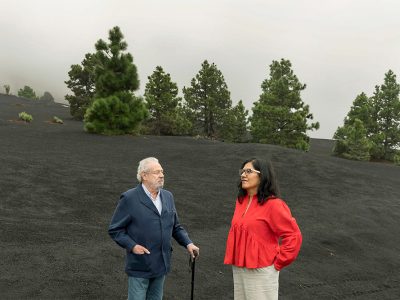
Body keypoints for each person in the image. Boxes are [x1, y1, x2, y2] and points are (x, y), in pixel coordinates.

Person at [108, 157, 199, 300]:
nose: (162, 175)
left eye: (162, 171)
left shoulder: (168, 196)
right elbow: (115, 229)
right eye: (156, 172)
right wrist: (132, 246)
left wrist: (188, 243)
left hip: (161, 263)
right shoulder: (129, 198)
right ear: (144, 175)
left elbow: (176, 227)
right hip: (140, 264)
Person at [224, 158, 302, 300]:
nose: (243, 175)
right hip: (240, 267)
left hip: (261, 270)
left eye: (249, 171)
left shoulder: (274, 205)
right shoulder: (241, 201)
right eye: (242, 171)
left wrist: (278, 263)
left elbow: (293, 235)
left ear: (262, 176)